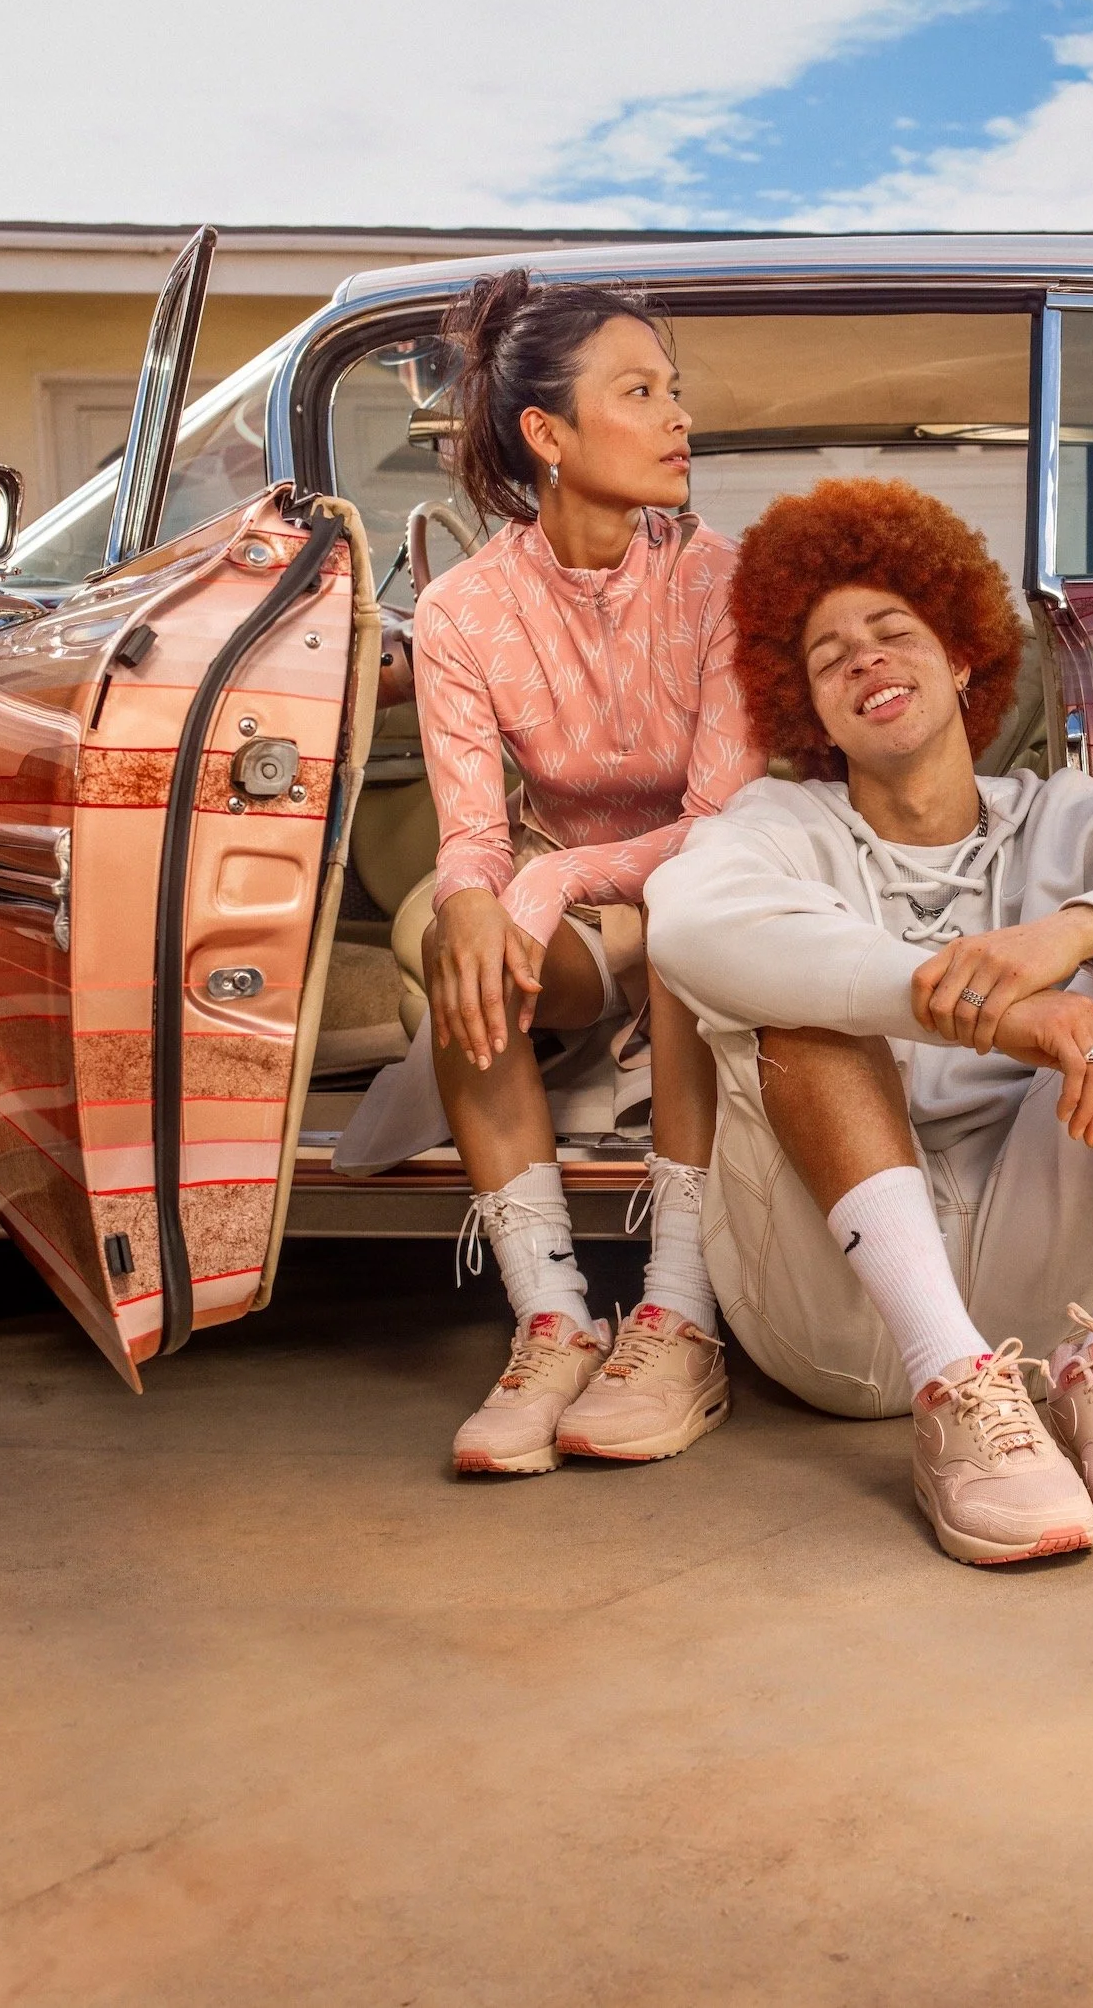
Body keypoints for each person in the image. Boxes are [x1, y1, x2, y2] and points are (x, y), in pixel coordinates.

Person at [645, 480, 1093, 1565]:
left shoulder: (1066, 815)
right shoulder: (778, 824)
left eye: (892, 631)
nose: (864, 658)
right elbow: (685, 927)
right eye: (828, 657)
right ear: (806, 711)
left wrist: (1069, 936)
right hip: (839, 1310)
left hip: (1047, 1293)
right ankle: (949, 1386)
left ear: (961, 656)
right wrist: (988, 1014)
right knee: (797, 993)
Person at [408, 271, 764, 1476]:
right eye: (640, 392)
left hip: (708, 900)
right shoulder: (458, 612)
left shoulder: (723, 580)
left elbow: (719, 825)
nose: (678, 419)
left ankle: (679, 1313)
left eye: (674, 392)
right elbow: (472, 838)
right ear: (547, 436)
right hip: (570, 919)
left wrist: (555, 884)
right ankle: (553, 1314)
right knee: (446, 929)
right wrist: (478, 899)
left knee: (684, 921)